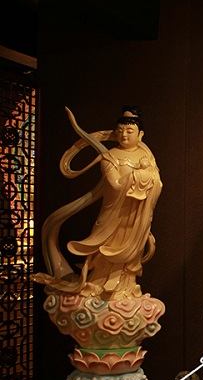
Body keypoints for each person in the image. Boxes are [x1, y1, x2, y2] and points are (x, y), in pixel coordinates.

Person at [35, 107, 162, 298]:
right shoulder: (109, 156)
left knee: (130, 255)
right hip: (113, 214)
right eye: (120, 131)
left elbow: (158, 184)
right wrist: (139, 176)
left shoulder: (148, 157)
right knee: (105, 249)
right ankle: (98, 286)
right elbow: (116, 185)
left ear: (140, 134)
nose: (124, 135)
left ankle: (126, 288)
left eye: (129, 131)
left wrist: (149, 177)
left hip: (135, 216)